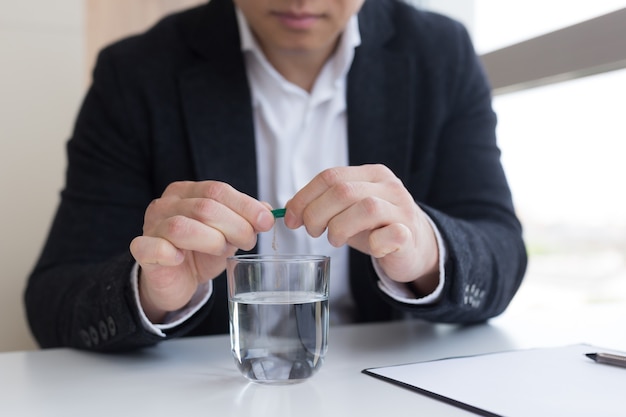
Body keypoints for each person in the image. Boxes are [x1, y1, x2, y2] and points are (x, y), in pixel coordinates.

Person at [25, 0, 527, 352]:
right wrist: (150, 293)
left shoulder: (440, 53)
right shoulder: (136, 72)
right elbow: (54, 302)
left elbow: (501, 252)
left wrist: (429, 254)